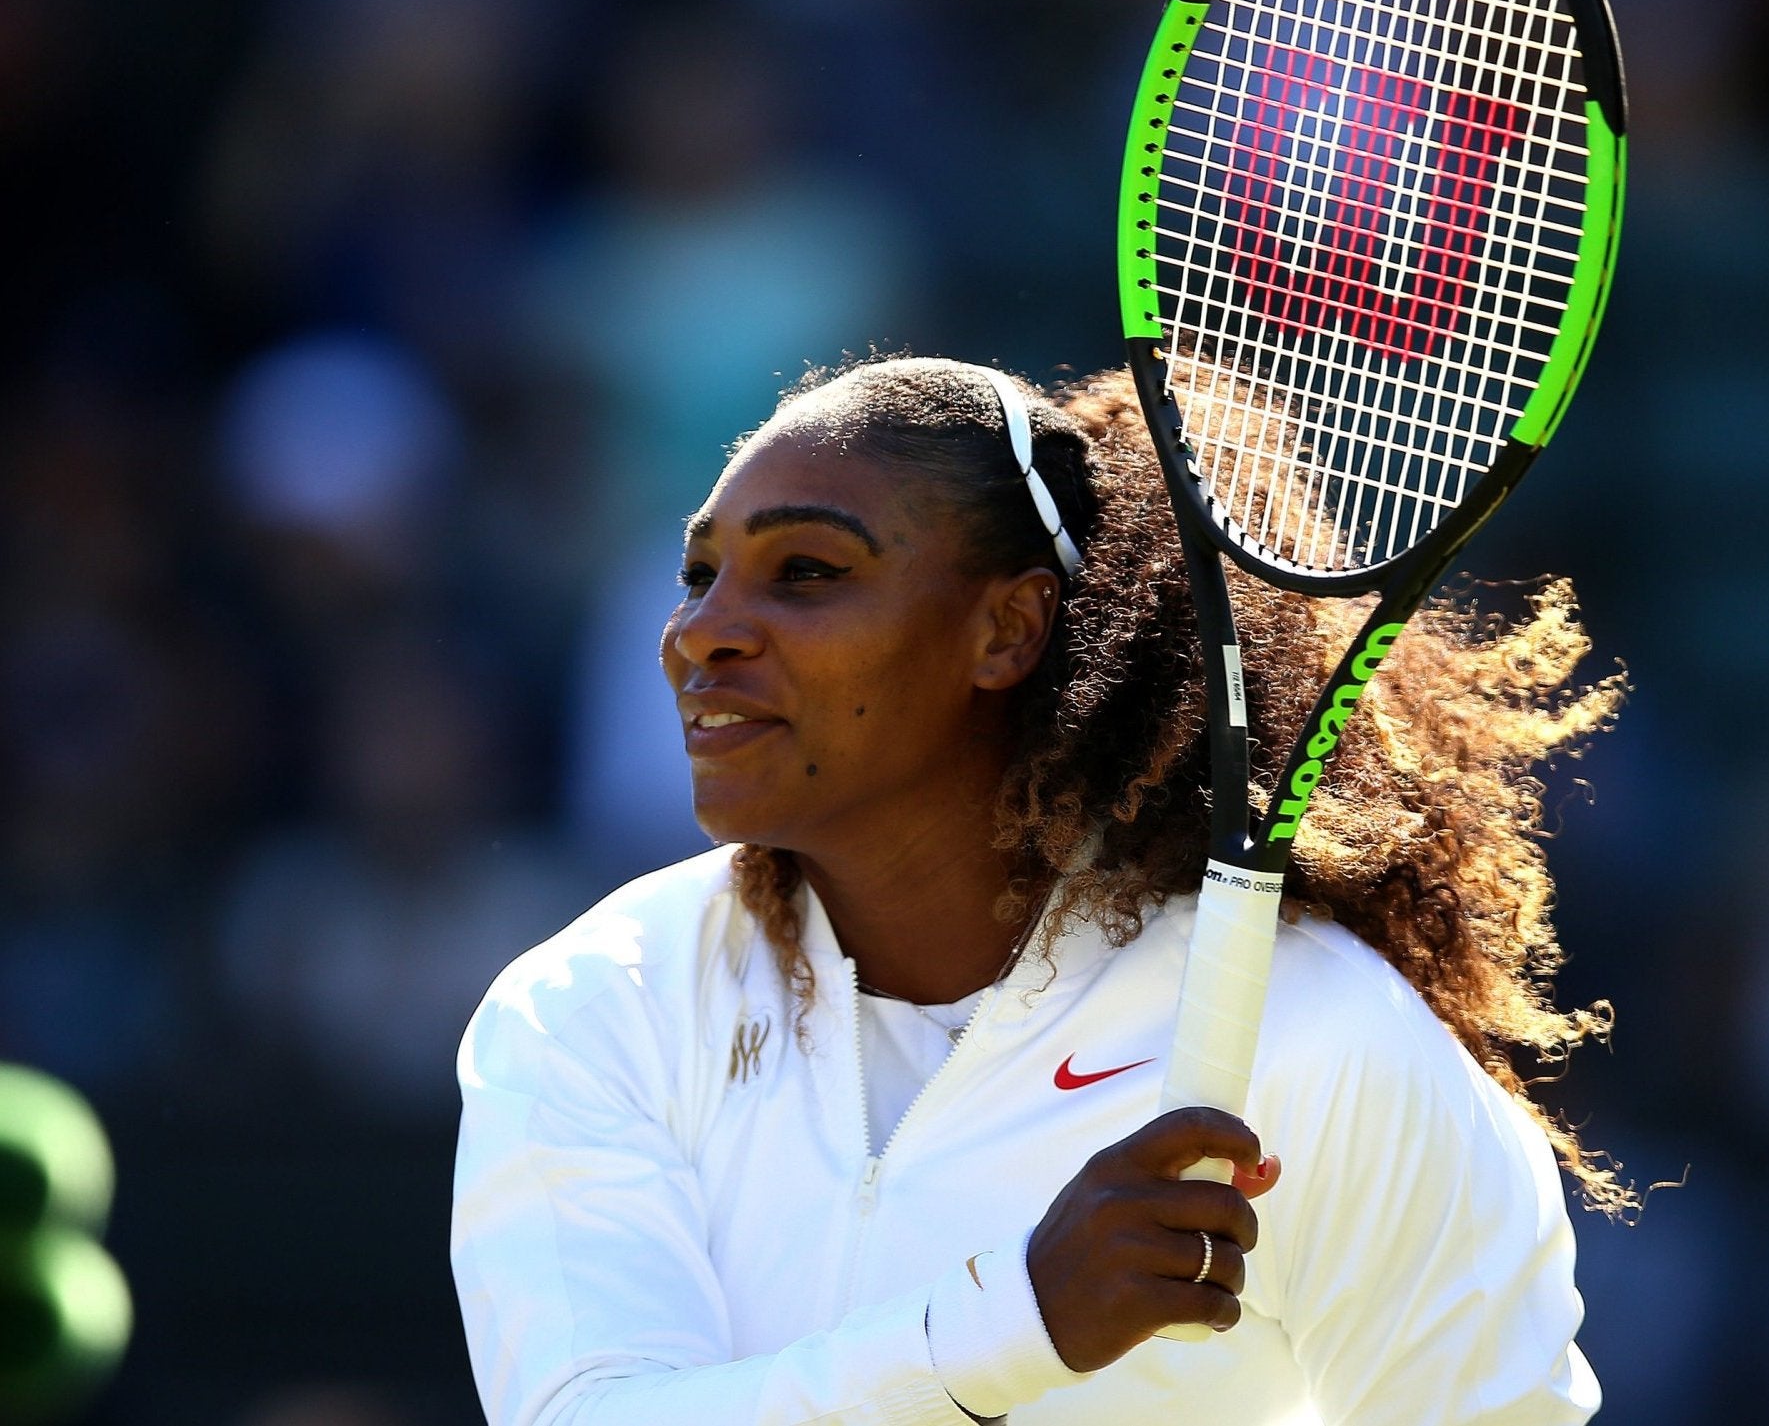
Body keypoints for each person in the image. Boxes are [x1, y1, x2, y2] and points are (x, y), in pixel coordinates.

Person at [450, 356, 1627, 1424]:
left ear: (1005, 628)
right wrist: (1017, 1322)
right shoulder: (594, 1004)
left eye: (804, 571)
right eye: (700, 574)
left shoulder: (1319, 1036)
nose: (698, 633)